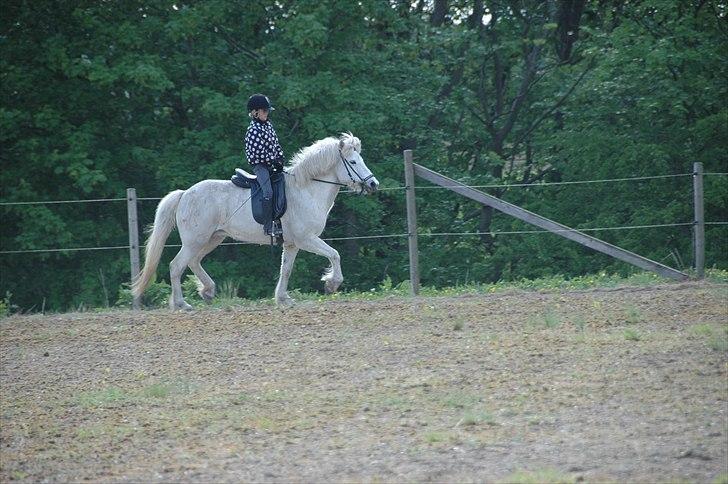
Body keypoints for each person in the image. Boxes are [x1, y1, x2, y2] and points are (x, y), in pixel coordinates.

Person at [244, 93, 284, 237]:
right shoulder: (253, 130)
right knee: (268, 192)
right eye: (265, 111)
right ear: (255, 112)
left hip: (271, 164)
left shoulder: (268, 126)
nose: (267, 113)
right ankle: (268, 226)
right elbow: (258, 153)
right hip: (260, 166)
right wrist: (272, 161)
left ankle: (281, 221)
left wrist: (280, 159)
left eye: (267, 111)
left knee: (282, 187)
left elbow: (276, 144)